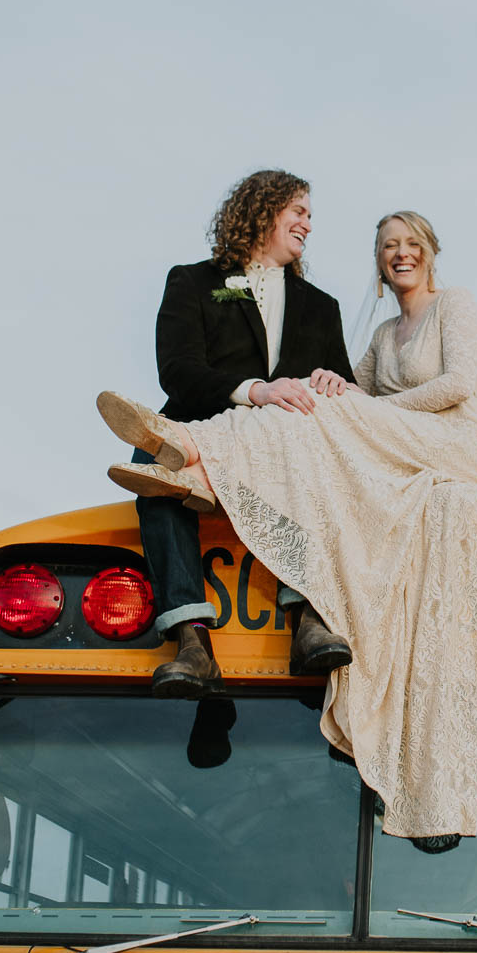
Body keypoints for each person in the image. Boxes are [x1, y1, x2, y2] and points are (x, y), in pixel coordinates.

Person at [99, 211, 477, 848]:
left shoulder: (455, 306)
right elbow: (340, 385)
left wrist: (353, 408)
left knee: (312, 420)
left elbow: (457, 385)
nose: (400, 254)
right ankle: (187, 457)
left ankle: (193, 460)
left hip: (448, 442)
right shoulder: (383, 334)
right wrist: (331, 391)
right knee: (303, 412)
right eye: (389, 246)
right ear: (378, 259)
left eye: (411, 244)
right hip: (372, 436)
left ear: (430, 252)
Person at [130, 170, 356, 699]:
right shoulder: (193, 281)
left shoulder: (322, 306)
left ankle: (308, 620)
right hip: (205, 425)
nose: (306, 223)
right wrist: (256, 390)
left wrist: (334, 381)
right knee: (152, 461)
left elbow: (343, 382)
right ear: (262, 210)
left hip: (285, 443)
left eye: (309, 216)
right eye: (298, 211)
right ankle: (191, 642)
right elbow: (177, 370)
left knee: (310, 452)